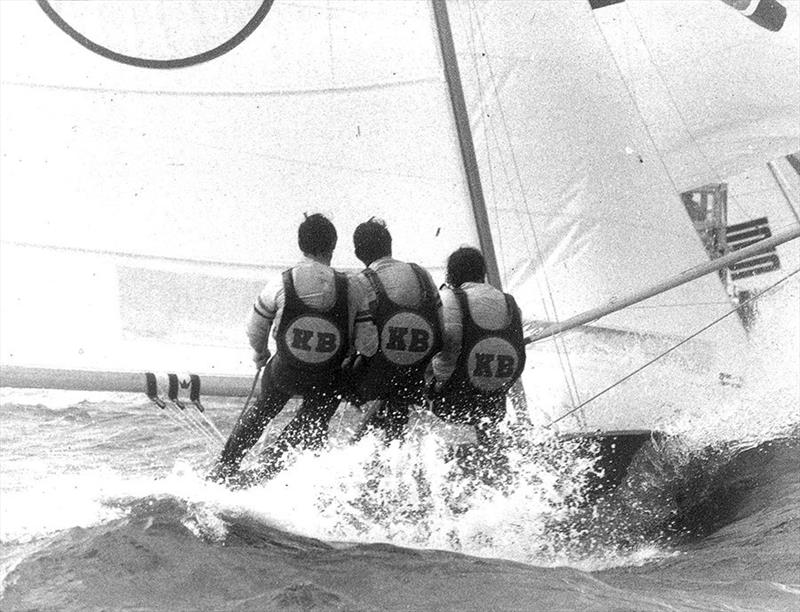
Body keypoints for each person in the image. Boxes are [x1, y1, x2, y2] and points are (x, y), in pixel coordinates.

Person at [209, 213, 377, 484]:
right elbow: (368, 344)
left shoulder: (281, 282)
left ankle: (224, 468)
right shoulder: (353, 286)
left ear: (301, 246)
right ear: (332, 247)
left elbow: (255, 329)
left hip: (286, 372)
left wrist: (260, 354)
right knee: (314, 418)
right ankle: (271, 467)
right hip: (327, 377)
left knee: (262, 411)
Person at [428, 246, 526, 470]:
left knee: (404, 381)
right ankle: (494, 463)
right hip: (493, 402)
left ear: (451, 276)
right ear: (482, 273)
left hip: (451, 401)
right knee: (483, 381)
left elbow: (435, 343)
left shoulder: (448, 299)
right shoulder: (510, 303)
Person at [345, 218, 443, 441]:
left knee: (348, 373)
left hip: (379, 378)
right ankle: (388, 440)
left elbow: (366, 346)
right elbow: (441, 328)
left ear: (358, 253)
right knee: (397, 395)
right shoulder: (421, 274)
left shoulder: (361, 281)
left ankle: (363, 443)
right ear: (389, 245)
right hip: (417, 377)